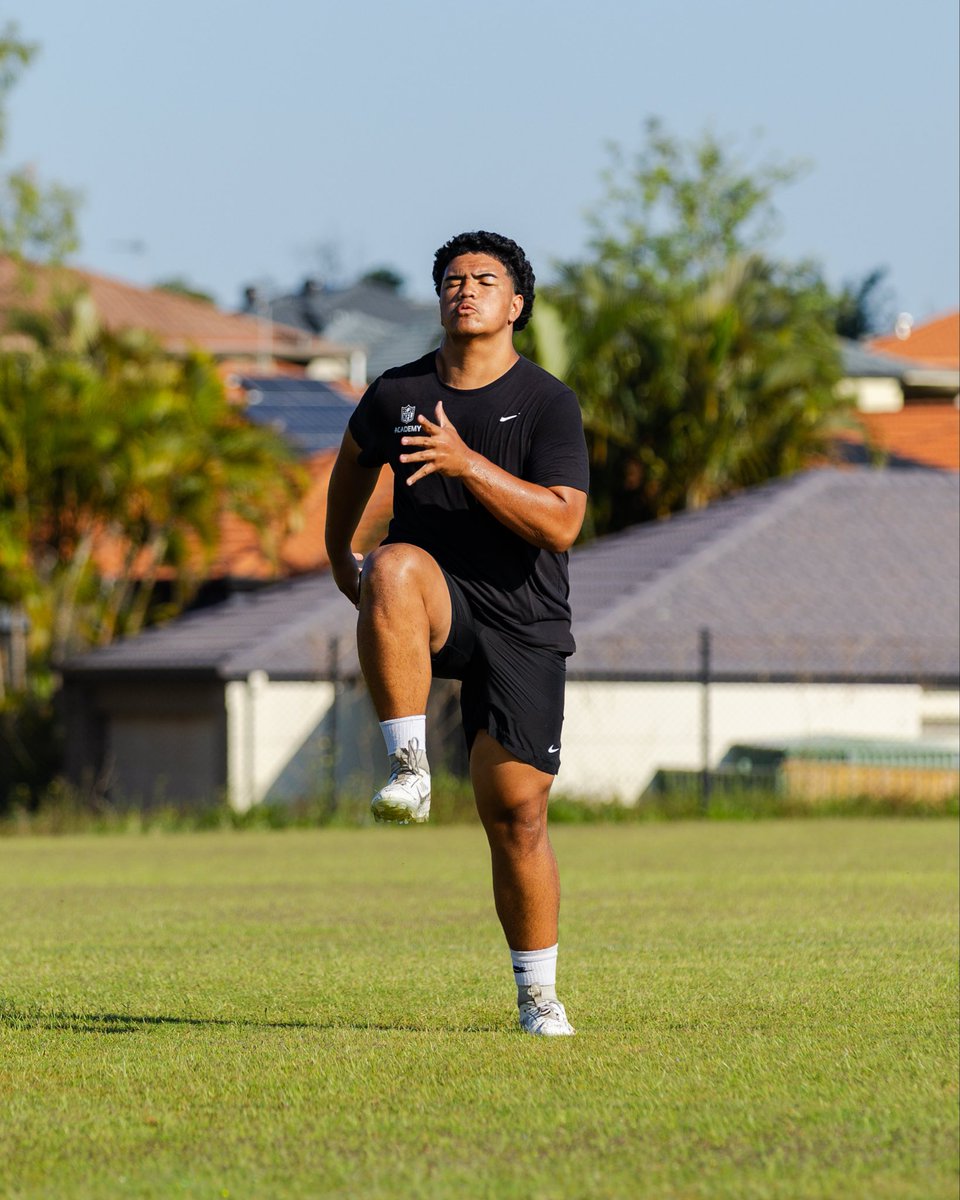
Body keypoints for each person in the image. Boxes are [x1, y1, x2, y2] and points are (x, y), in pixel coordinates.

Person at [324, 231, 589, 1037]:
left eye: (483, 280)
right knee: (394, 567)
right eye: (451, 279)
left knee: (516, 817)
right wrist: (343, 555)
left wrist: (467, 463)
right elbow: (351, 466)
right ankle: (408, 768)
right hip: (438, 601)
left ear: (517, 305)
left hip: (524, 623)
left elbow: (564, 522)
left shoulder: (547, 401)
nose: (463, 289)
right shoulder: (395, 392)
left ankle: (537, 998)